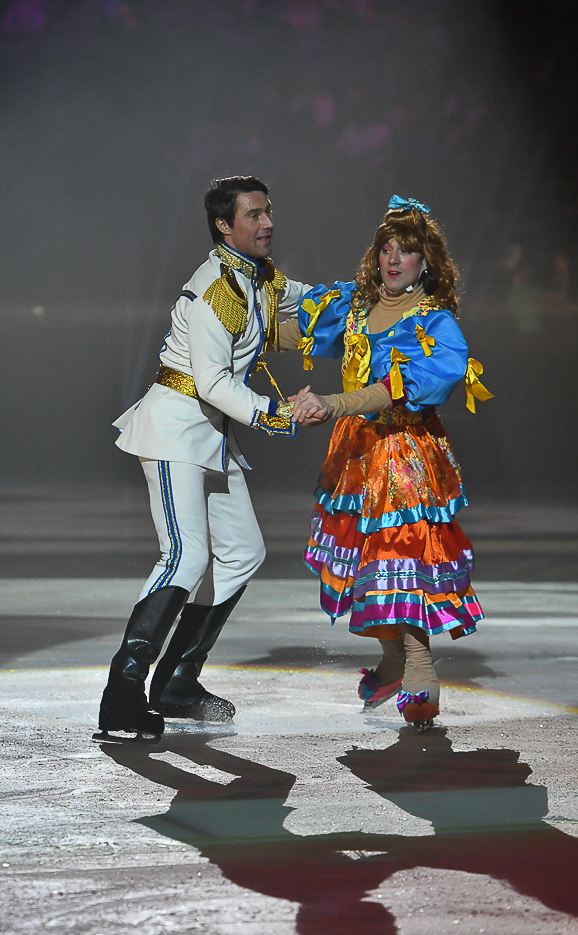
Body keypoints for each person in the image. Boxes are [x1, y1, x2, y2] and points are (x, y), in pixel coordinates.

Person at [97, 176, 312, 738]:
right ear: (224, 224)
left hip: (210, 437)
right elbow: (214, 382)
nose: (267, 223)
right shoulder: (215, 288)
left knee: (241, 552)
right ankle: (122, 693)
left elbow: (311, 302)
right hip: (175, 429)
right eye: (254, 215)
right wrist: (277, 412)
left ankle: (175, 683)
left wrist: (372, 295)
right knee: (186, 557)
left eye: (269, 211)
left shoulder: (258, 279)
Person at [289, 195, 493, 731]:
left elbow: (401, 389)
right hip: (355, 455)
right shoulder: (356, 306)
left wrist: (334, 402)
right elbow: (301, 333)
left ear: (427, 261)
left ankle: (418, 661)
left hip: (403, 455)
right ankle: (393, 661)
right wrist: (237, 331)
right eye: (387, 249)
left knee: (399, 557)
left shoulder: (435, 322)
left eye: (407, 250)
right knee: (362, 563)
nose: (394, 259)